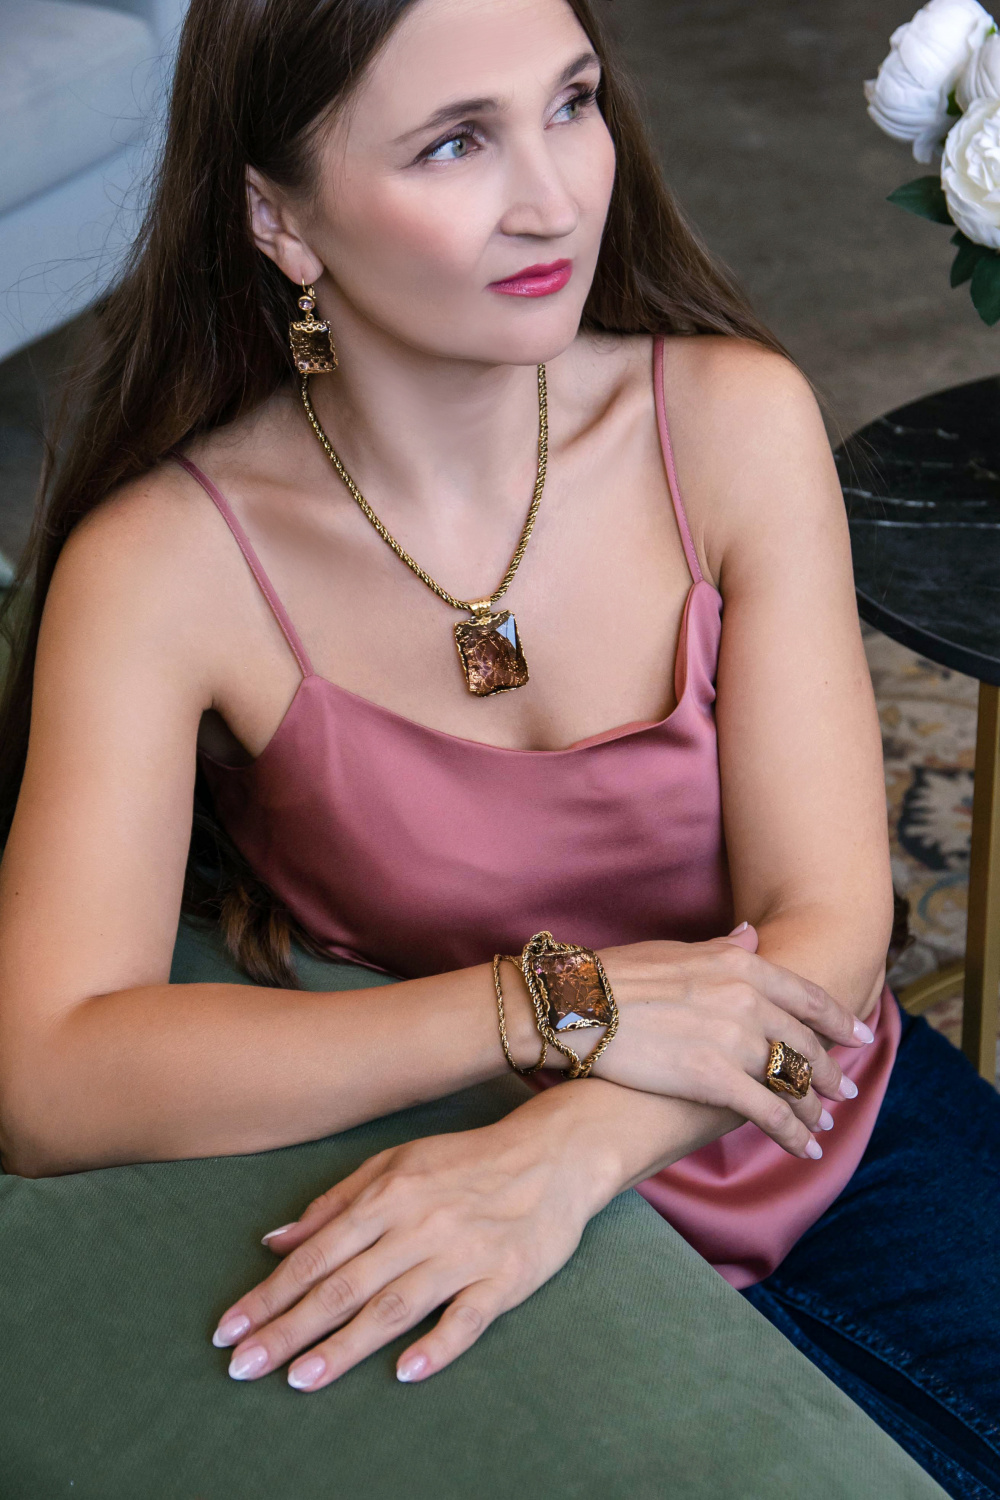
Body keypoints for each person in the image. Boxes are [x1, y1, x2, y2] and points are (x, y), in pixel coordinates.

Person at [0, 0, 995, 1495]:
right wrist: (547, 1010)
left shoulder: (731, 420)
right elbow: (50, 1076)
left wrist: (570, 1152)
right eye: (455, 143)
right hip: (461, 1166)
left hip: (820, 1118)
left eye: (572, 103)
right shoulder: (164, 569)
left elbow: (833, 929)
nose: (553, 197)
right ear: (278, 218)